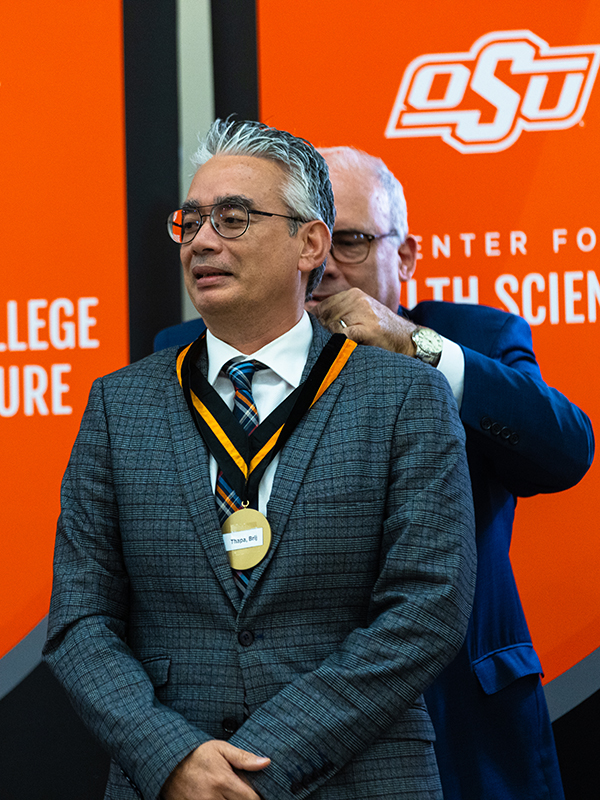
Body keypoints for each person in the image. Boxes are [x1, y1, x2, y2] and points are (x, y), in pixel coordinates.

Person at [43, 121, 477, 800]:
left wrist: (260, 760)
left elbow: (427, 609)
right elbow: (79, 618)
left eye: (234, 218)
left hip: (358, 778)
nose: (203, 240)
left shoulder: (405, 396)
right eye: (190, 221)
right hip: (169, 782)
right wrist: (174, 758)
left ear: (310, 243)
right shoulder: (116, 405)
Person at [155, 144, 595, 800]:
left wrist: (408, 344)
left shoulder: (474, 337)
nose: (324, 264)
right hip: (263, 738)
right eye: (307, 237)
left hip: (456, 734)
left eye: (352, 241)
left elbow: (564, 451)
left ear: (407, 256)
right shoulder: (188, 355)